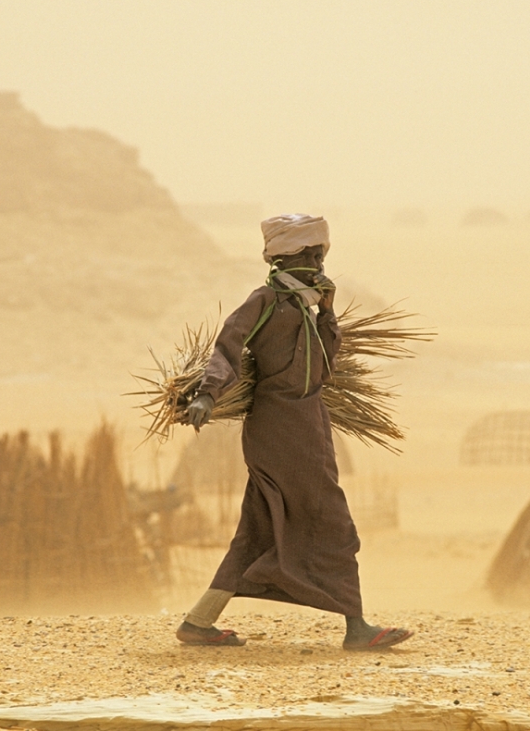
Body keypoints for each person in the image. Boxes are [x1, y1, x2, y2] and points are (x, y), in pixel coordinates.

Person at [175, 214, 412, 651]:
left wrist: (327, 311)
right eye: (312, 255)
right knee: (333, 522)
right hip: (280, 429)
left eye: (320, 254)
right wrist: (207, 395)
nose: (320, 263)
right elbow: (227, 345)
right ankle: (357, 628)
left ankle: (198, 622)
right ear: (287, 257)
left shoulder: (306, 304)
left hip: (309, 422)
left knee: (260, 526)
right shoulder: (265, 300)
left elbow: (327, 366)